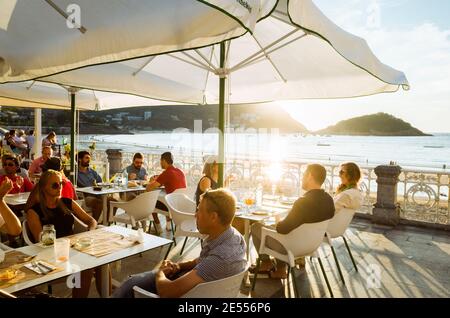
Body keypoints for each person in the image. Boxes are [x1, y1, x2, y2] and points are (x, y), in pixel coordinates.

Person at [112, 188, 247, 298]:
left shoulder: (219, 259)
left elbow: (167, 293)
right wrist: (178, 266)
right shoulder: (235, 238)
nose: (195, 215)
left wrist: (160, 272)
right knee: (132, 281)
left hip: (186, 293)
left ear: (213, 217)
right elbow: (202, 261)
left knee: (130, 286)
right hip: (208, 290)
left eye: (199, 210)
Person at [26, 170, 109, 297]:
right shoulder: (34, 212)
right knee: (86, 268)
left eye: (61, 184)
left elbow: (91, 220)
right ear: (43, 187)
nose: (59, 187)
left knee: (102, 260)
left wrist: (90, 232)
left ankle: (108, 295)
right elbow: (40, 240)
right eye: (55, 185)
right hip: (50, 255)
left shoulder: (67, 202)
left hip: (73, 249)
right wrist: (65, 246)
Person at [250, 164, 335, 278]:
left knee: (256, 226)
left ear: (310, 176)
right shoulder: (329, 200)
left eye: (304, 174)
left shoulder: (303, 202)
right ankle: (280, 269)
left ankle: (266, 263)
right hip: (312, 245)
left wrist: (278, 223)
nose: (302, 178)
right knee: (274, 227)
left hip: (292, 248)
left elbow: (282, 229)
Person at [146, 152, 186, 233]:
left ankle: (158, 228)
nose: (160, 162)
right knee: (166, 197)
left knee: (151, 202)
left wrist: (151, 181)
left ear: (164, 160)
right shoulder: (180, 171)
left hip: (171, 207)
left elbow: (149, 188)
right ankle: (168, 226)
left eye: (160, 160)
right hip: (181, 205)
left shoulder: (167, 173)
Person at [76, 151, 104, 221]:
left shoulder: (92, 171)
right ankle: (94, 223)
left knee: (112, 200)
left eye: (89, 158)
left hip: (96, 194)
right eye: (86, 158)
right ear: (79, 159)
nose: (89, 160)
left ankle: (106, 222)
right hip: (85, 196)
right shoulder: (75, 173)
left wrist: (97, 185)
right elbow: (73, 186)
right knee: (98, 203)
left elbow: (100, 182)